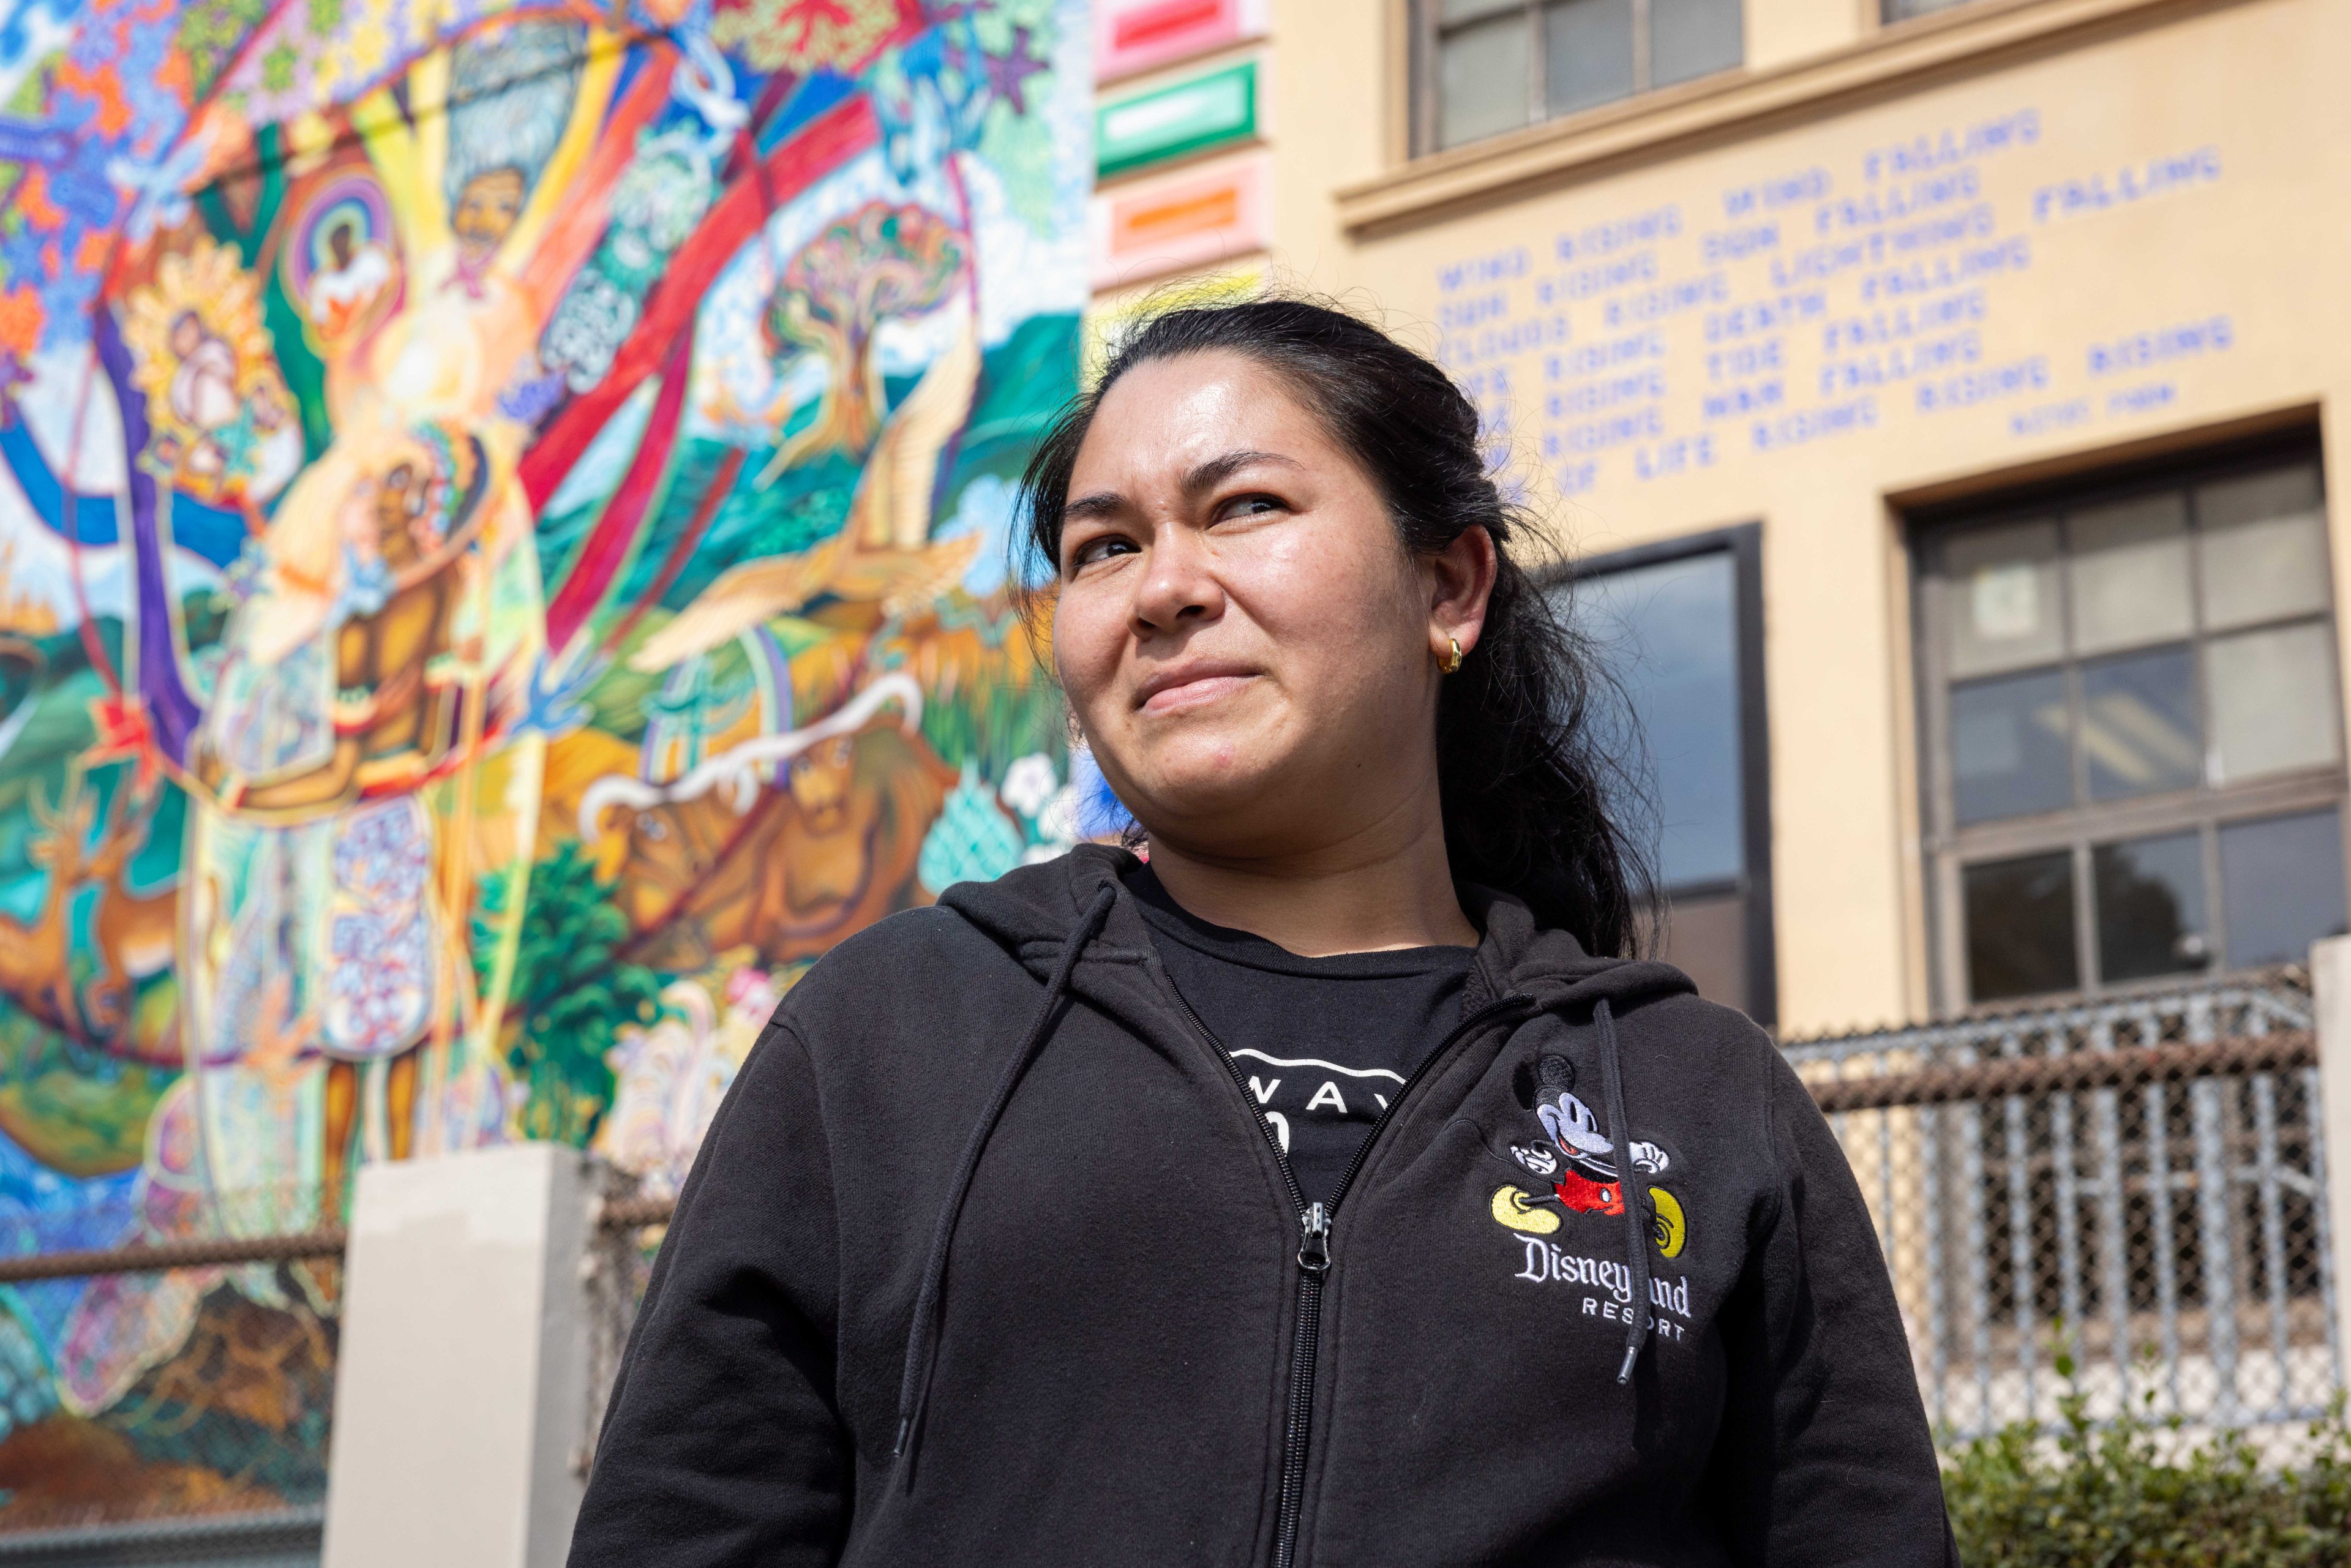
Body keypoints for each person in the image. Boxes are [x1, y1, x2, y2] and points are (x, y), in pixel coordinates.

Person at [570, 299, 1958, 1566]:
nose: (1163, 588)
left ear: (1450, 589)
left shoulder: (1694, 1096)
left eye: (1241, 508)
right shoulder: (890, 1034)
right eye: (1104, 547)